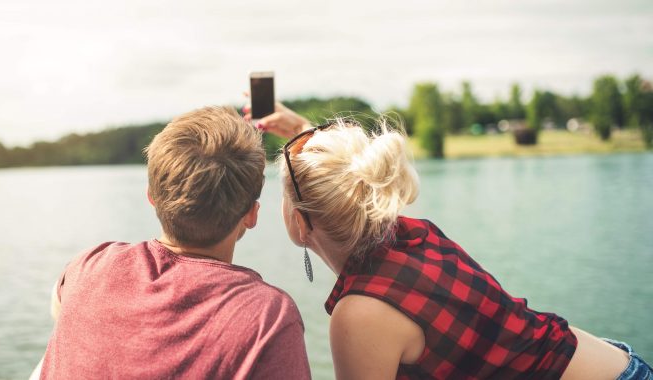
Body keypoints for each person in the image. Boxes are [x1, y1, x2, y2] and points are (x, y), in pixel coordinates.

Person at [245, 103, 652, 379]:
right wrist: (303, 132)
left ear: (300, 223)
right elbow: (351, 183)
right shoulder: (413, 235)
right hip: (619, 364)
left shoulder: (360, 314)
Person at [33, 106, 311, 379]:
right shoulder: (269, 319)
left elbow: (60, 315)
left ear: (151, 197)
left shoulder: (88, 266)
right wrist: (303, 133)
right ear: (252, 215)